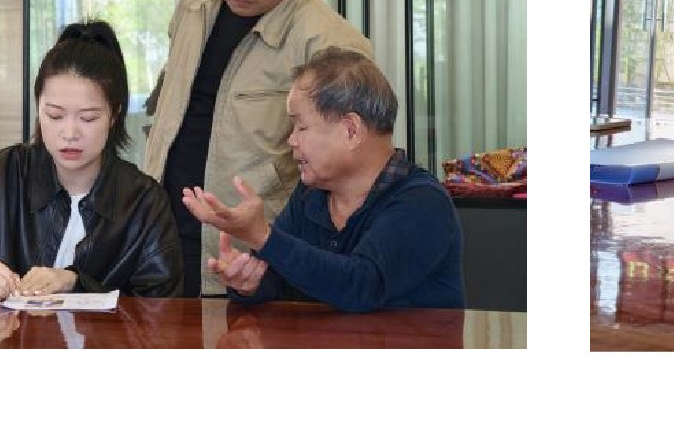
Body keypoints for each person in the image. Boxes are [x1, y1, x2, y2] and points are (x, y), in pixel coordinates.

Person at [143, 0, 372, 296]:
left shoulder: (330, 44)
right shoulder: (195, 4)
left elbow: (346, 177)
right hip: (160, 237)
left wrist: (278, 252)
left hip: (249, 260)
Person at [0, 22, 181, 300]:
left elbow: (163, 310)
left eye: (88, 118)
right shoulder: (1, 174)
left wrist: (77, 283)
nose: (69, 133)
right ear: (38, 109)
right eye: (54, 115)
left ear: (114, 115)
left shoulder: (143, 202)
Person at [180, 48, 464, 312]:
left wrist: (262, 236)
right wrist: (251, 283)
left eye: (301, 126)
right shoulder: (310, 195)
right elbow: (284, 280)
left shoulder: (422, 201)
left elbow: (361, 286)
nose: (291, 140)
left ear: (351, 130)